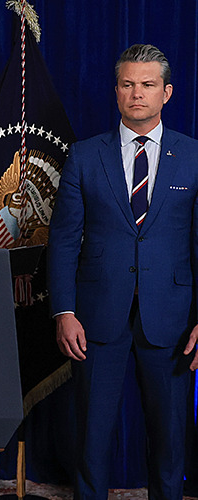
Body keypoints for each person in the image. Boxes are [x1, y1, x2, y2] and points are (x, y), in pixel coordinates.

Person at [48, 44, 198, 499]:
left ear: (166, 93)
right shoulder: (84, 156)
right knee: (92, 439)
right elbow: (64, 240)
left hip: (171, 320)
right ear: (116, 91)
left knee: (171, 443)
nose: (138, 94)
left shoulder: (192, 156)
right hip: (95, 320)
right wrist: (64, 311)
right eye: (128, 84)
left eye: (148, 85)